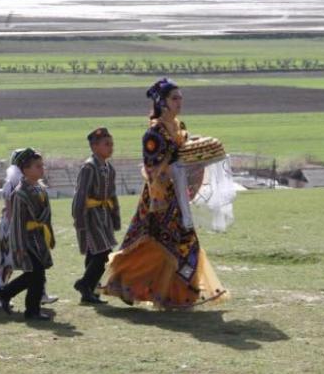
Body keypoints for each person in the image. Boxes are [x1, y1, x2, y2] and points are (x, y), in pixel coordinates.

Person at [101, 78, 228, 309]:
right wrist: (176, 169)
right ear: (162, 102)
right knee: (155, 245)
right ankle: (129, 284)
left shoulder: (179, 126)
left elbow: (185, 156)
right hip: (159, 199)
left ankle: (181, 294)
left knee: (184, 242)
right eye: (174, 98)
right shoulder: (154, 133)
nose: (179, 102)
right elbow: (152, 168)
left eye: (180, 98)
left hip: (178, 196)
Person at [0, 149, 58, 308]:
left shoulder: (39, 187)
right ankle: (1, 294)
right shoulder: (17, 189)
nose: (42, 169)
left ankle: (33, 297)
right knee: (17, 266)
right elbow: (14, 218)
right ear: (24, 168)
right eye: (37, 166)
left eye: (42, 165)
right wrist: (17, 244)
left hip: (36, 235)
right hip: (20, 234)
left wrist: (49, 236)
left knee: (36, 270)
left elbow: (45, 216)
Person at [71, 127, 121, 304]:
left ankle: (89, 291)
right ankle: (85, 284)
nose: (111, 147)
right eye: (106, 144)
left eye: (111, 144)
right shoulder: (89, 167)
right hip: (90, 216)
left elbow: (112, 194)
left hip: (104, 216)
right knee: (104, 252)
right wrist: (78, 218)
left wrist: (115, 217)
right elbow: (80, 194)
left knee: (94, 253)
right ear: (94, 147)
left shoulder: (109, 168)